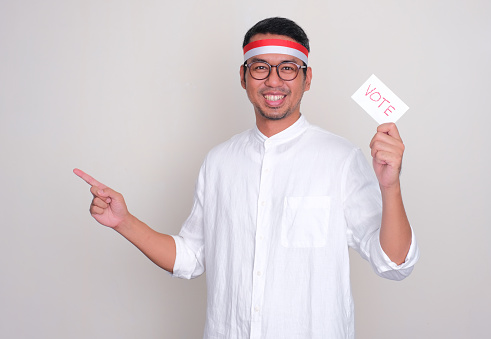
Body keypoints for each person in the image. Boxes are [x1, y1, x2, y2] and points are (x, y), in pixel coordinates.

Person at [74, 17, 419, 339]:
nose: (273, 80)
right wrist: (124, 222)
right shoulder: (219, 162)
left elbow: (394, 264)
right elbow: (191, 257)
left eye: (287, 68)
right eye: (260, 67)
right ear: (243, 76)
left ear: (307, 78)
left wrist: (390, 187)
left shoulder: (341, 159)